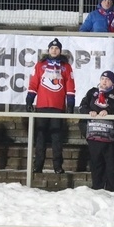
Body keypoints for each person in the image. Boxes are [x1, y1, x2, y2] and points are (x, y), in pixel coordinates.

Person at [26, 38, 76, 174]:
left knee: (57, 138)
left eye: (57, 48)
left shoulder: (66, 67)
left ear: (60, 51)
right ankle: (38, 166)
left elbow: (70, 86)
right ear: (48, 50)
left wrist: (71, 104)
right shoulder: (40, 65)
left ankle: (57, 166)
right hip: (42, 107)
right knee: (40, 138)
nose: (54, 50)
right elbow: (34, 83)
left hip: (58, 108)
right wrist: (29, 99)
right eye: (52, 48)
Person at [78, 70, 114, 191]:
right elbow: (82, 106)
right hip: (94, 136)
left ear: (112, 82)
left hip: (111, 138)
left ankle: (112, 191)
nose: (104, 81)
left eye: (107, 79)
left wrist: (109, 112)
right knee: (96, 164)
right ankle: (97, 188)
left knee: (111, 166)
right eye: (102, 79)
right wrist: (88, 112)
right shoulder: (92, 92)